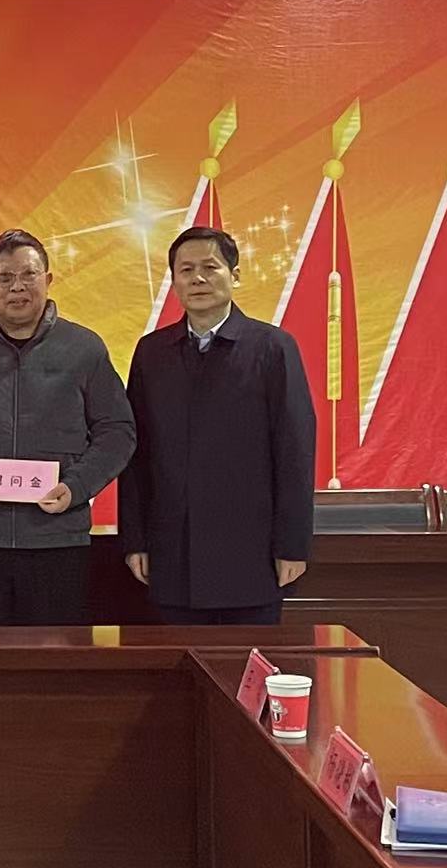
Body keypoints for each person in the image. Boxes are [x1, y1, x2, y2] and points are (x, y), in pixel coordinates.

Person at [0, 228, 135, 626]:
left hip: (57, 539)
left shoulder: (84, 348)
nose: (17, 287)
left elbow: (117, 431)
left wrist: (76, 487)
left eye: (28, 275)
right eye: (5, 277)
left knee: (54, 657)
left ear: (48, 280)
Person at [121, 226, 317, 626]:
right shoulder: (152, 352)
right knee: (177, 661)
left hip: (251, 553)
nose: (198, 278)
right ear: (174, 281)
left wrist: (293, 545)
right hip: (172, 552)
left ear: (235, 275)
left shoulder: (272, 348)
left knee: (245, 662)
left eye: (210, 267)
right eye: (186, 270)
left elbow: (294, 450)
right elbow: (135, 453)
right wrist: (134, 540)